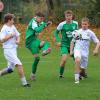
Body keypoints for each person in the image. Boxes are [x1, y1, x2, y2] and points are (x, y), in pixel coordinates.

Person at [0, 13, 30, 87]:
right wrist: (10, 36)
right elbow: (1, 40)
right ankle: (25, 83)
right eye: (13, 19)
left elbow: (18, 35)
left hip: (14, 50)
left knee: (10, 69)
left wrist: (18, 41)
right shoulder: (4, 29)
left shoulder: (13, 26)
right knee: (19, 64)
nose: (14, 21)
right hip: (8, 50)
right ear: (9, 20)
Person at [70, 17, 100, 84]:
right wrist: (71, 51)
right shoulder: (78, 32)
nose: (84, 25)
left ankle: (82, 73)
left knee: (83, 69)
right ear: (81, 24)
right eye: (83, 24)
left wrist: (96, 50)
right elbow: (72, 42)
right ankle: (76, 79)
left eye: (85, 24)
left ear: (88, 24)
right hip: (77, 49)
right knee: (77, 60)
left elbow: (98, 42)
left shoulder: (90, 33)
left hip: (85, 52)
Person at [25, 12, 51, 81]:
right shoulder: (33, 22)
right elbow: (38, 29)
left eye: (43, 19)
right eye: (41, 18)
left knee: (45, 43)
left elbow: (43, 25)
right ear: (36, 17)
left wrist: (46, 24)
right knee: (37, 58)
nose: (42, 20)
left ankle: (45, 51)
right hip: (30, 42)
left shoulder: (40, 22)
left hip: (34, 40)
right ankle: (44, 51)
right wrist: (44, 24)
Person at [54, 10, 78, 78]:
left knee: (77, 60)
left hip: (73, 45)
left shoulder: (76, 23)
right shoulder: (62, 24)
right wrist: (59, 41)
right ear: (65, 17)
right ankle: (61, 74)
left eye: (70, 16)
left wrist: (78, 41)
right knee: (64, 59)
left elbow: (77, 33)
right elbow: (56, 33)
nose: (68, 17)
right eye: (67, 16)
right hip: (64, 44)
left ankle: (80, 74)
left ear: (72, 16)